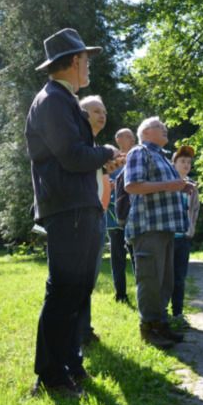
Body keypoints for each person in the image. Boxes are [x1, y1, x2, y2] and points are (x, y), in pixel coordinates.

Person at [25, 28, 120, 397]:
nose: (89, 68)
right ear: (74, 62)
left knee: (76, 292)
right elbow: (72, 156)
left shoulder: (60, 99)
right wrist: (107, 153)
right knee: (65, 291)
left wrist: (101, 163)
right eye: (86, 61)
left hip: (77, 206)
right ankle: (50, 376)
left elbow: (74, 157)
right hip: (68, 209)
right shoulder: (52, 100)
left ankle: (70, 365)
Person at [124, 117, 195, 349]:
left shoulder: (162, 156)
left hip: (165, 229)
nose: (165, 128)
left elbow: (164, 187)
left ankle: (161, 325)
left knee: (164, 282)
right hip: (148, 228)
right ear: (145, 132)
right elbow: (132, 185)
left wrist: (181, 186)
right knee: (150, 280)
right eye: (159, 126)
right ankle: (148, 328)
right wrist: (169, 185)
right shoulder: (139, 151)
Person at [78, 95, 112, 345]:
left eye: (104, 112)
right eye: (96, 111)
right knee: (77, 277)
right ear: (81, 114)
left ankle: (83, 329)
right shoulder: (78, 144)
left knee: (88, 277)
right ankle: (77, 332)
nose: (102, 115)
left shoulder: (93, 145)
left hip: (97, 214)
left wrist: (107, 167)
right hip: (80, 216)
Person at [171, 145, 199, 329]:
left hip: (184, 237)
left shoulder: (192, 186)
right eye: (182, 161)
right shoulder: (167, 182)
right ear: (174, 163)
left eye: (189, 162)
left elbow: (195, 210)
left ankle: (178, 313)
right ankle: (161, 315)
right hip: (168, 237)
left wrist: (191, 230)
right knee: (166, 277)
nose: (186, 165)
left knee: (180, 278)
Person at [108, 128, 136, 303]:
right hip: (112, 215)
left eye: (133, 137)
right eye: (129, 136)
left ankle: (143, 292)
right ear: (119, 139)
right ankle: (120, 294)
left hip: (133, 216)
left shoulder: (136, 158)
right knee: (117, 256)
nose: (132, 139)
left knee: (136, 256)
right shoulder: (110, 161)